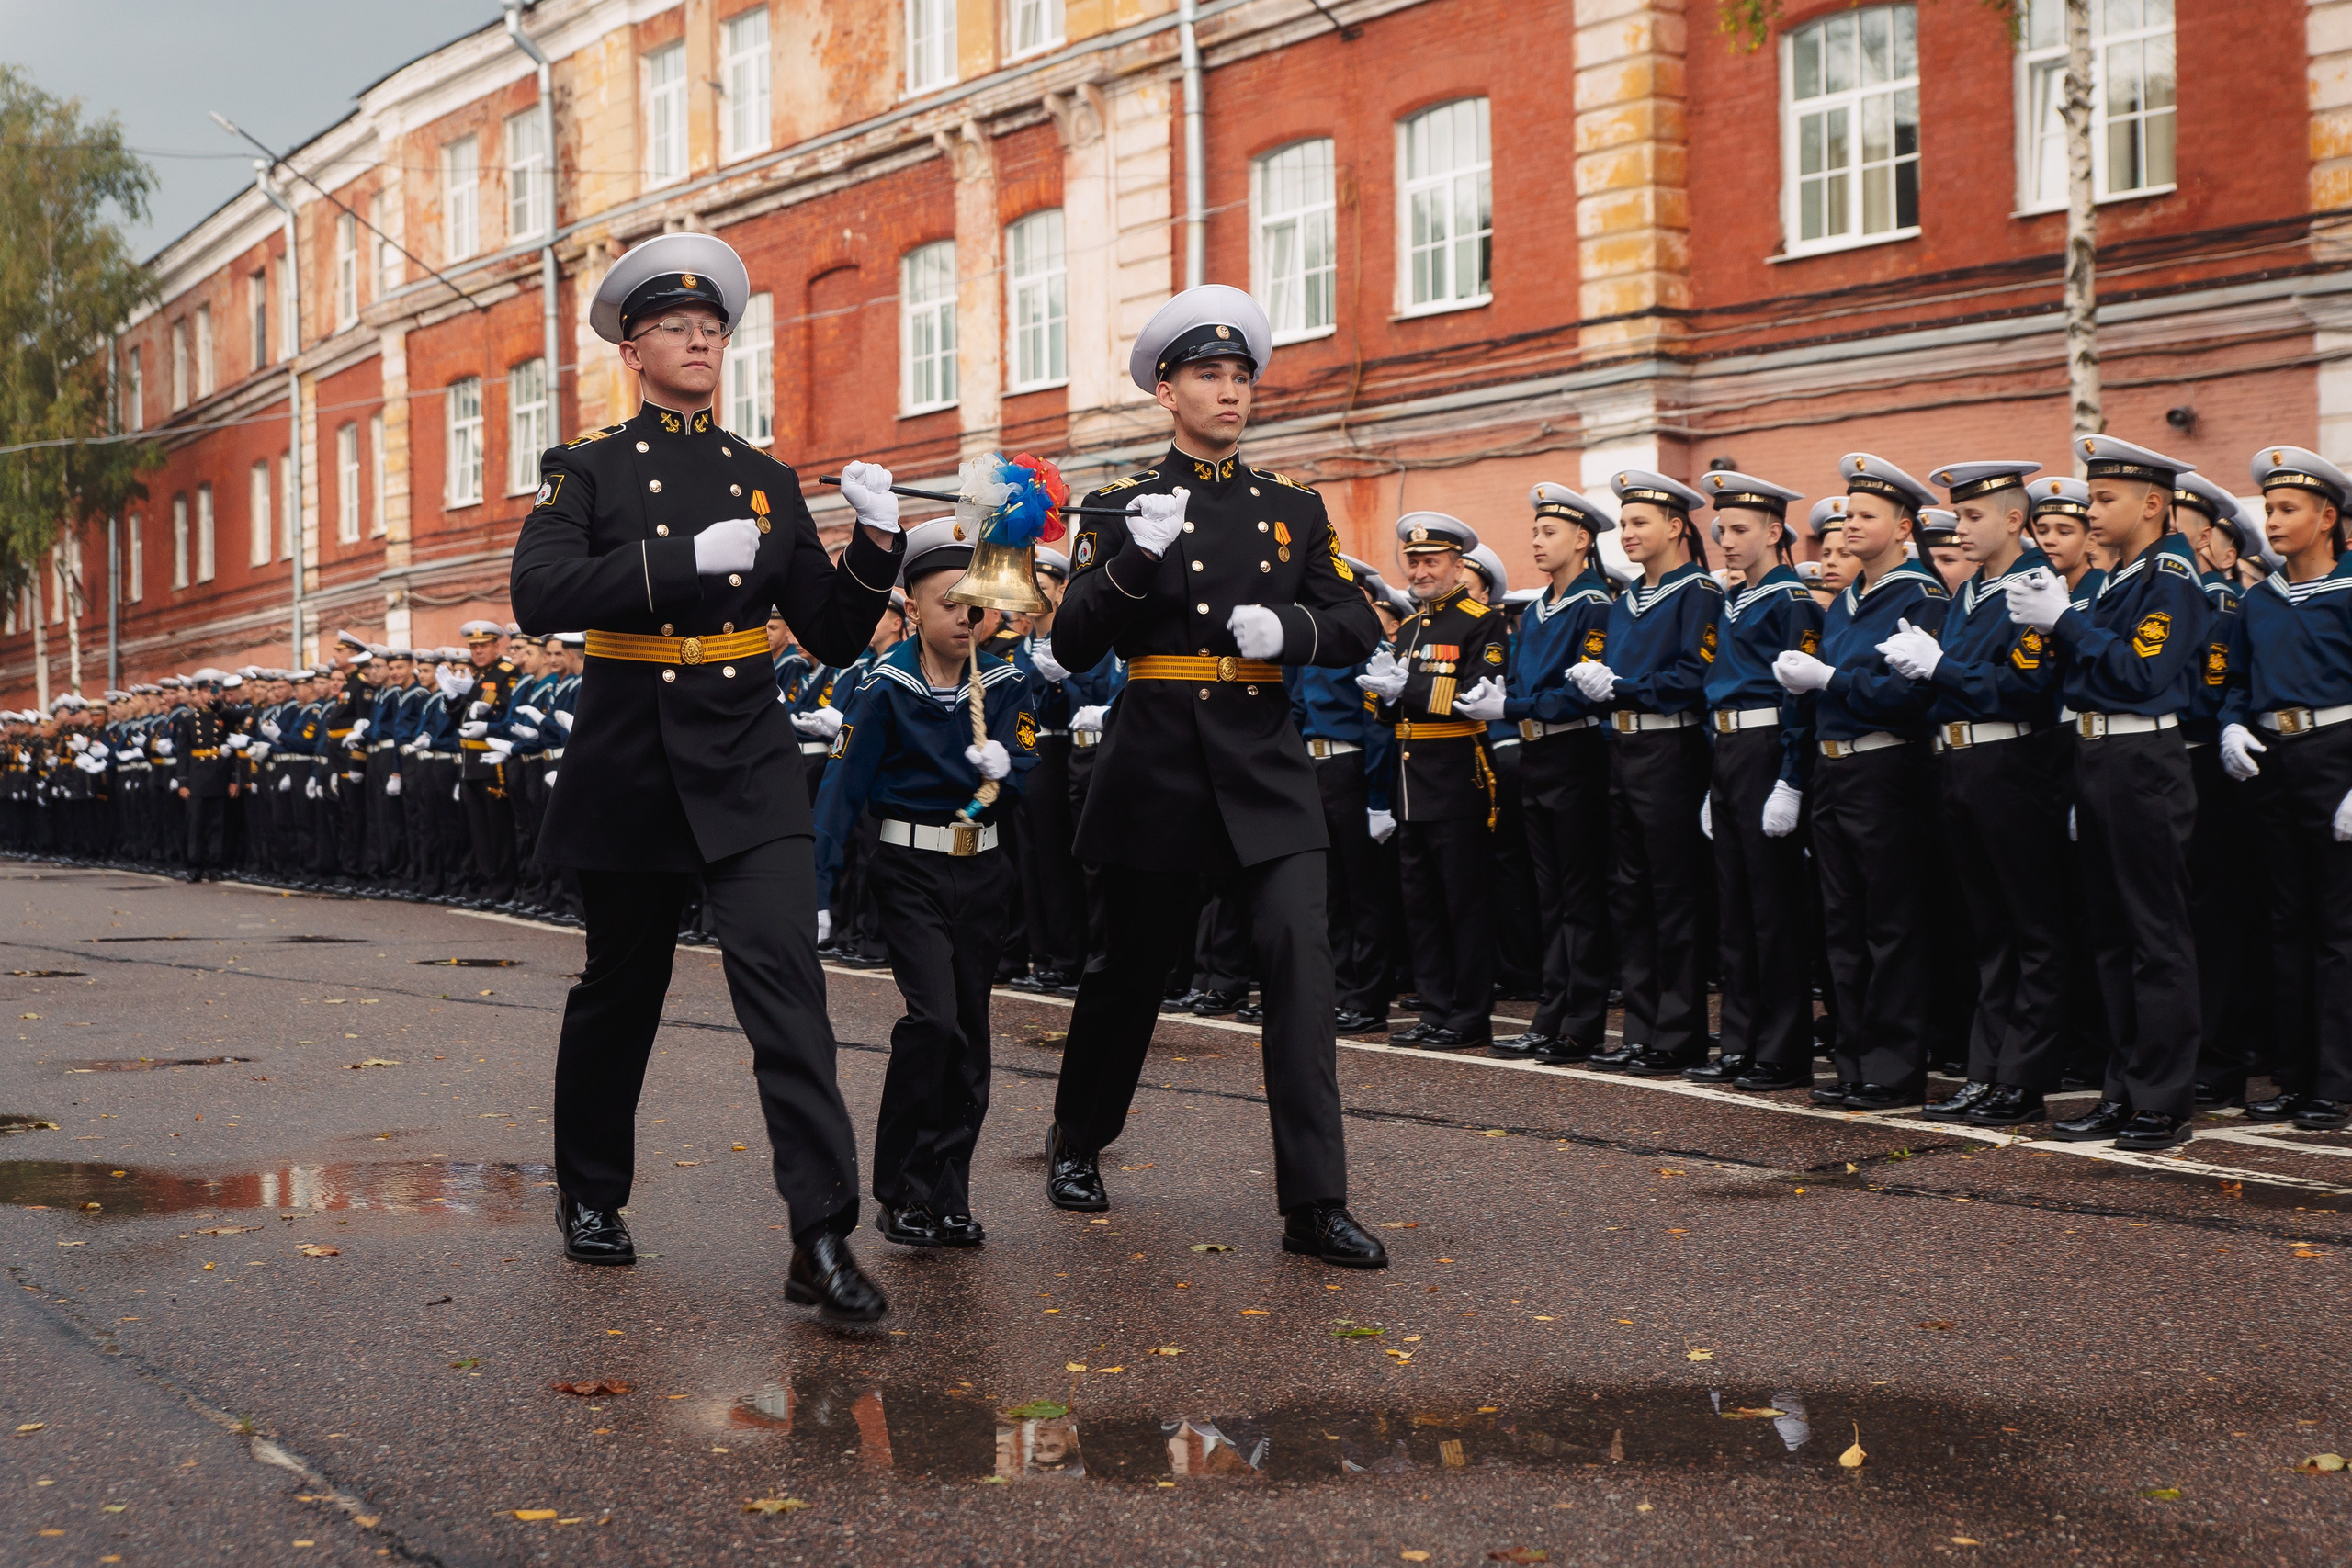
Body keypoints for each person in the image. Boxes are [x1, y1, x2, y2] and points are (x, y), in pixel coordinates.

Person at [508, 230, 904, 1319]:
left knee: (790, 996)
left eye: (712, 327)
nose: (698, 340)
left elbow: (828, 634)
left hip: (744, 758)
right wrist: (682, 562)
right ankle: (591, 1193)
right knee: (620, 993)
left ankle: (820, 1237)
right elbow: (539, 596)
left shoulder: (763, 479)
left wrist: (874, 543)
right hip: (632, 757)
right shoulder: (585, 468)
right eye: (676, 328)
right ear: (631, 350)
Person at [1043, 283, 1387, 1269]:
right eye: (1208, 375)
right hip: (1155, 760)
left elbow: (1361, 624)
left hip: (1263, 762)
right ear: (1166, 390)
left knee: (1299, 972)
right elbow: (1070, 641)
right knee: (1130, 972)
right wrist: (1131, 563)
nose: (1230, 392)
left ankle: (1314, 1203)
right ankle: (1079, 1139)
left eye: (1240, 376)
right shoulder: (1116, 507)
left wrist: (1293, 629)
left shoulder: (1290, 508)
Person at [814, 517, 1037, 1247]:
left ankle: (949, 1191)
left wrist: (1014, 768)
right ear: (912, 606)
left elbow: (1029, 767)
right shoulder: (886, 687)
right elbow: (840, 791)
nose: (967, 617)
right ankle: (901, 1188)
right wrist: (816, 891)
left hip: (983, 867)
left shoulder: (1004, 680)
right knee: (932, 1021)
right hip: (909, 869)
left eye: (976, 603)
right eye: (950, 603)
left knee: (970, 1033)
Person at [2004, 435, 2211, 1151]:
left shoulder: (2171, 575)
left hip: (2143, 754)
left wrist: (2065, 621)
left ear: (2153, 505)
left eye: (2104, 499)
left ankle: (2162, 1099)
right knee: (2113, 936)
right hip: (2097, 754)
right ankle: (2123, 1091)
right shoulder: (2116, 579)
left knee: (2156, 935)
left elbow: (2141, 672)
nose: (2091, 511)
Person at [1882, 460, 2071, 1125]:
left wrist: (1943, 666)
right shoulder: (1966, 594)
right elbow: (1959, 681)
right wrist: (1923, 666)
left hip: (2012, 761)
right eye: (1958, 516)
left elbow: (2027, 688)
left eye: (1973, 516)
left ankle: (2023, 1077)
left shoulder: (2033, 586)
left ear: (2014, 520)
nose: (1959, 529)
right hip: (1960, 764)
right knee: (1988, 931)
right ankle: (1987, 1070)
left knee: (2032, 928)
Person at [1772, 454, 1950, 1110]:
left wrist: (1832, 681)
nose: (1848, 525)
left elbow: (1909, 694)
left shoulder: (1922, 593)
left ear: (1905, 526)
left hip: (1886, 766)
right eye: (1847, 513)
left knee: (1891, 923)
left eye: (1865, 515)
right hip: (1834, 765)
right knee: (1842, 923)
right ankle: (1853, 1058)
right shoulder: (1848, 598)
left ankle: (1893, 1067)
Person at [1566, 469, 1722, 1076]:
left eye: (1639, 522)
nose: (1627, 533)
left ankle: (1678, 1033)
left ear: (1676, 527)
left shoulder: (1697, 592)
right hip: (1624, 751)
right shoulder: (1627, 598)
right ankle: (1641, 1026)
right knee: (1629, 896)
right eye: (1624, 522)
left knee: (1672, 895)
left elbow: (1695, 676)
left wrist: (1624, 688)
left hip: (1672, 750)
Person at [2221, 445, 2352, 1130]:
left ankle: (2335, 1080)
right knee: (2286, 924)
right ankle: (2296, 1076)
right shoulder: (2259, 600)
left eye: (2287, 509)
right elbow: (2237, 681)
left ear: (2327, 517)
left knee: (2340, 928)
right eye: (2268, 509)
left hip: (2338, 755)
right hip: (2275, 757)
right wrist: (2232, 724)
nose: (2271, 521)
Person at [1690, 469, 1819, 1091]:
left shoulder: (1793, 601)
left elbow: (1798, 698)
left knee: (1774, 912)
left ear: (1774, 531)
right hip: (1731, 749)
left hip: (1769, 745)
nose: (1728, 541)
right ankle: (1739, 1038)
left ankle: (1782, 1046)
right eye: (1722, 530)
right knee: (1736, 911)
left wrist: (1791, 778)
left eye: (1740, 530)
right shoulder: (1732, 599)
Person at [1363, 511, 1506, 1049]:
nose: (1420, 571)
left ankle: (1470, 1015)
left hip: (1455, 772)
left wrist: (1408, 693)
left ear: (1455, 564)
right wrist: (1379, 693)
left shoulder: (1478, 620)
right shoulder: (1414, 624)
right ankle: (1435, 1006)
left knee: (1462, 902)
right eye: (1413, 561)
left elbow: (1475, 697)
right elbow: (1389, 712)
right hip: (1409, 775)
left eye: (1431, 561)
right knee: (1421, 902)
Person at [1490, 484, 1616, 1062]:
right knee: (1551, 895)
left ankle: (1581, 1021)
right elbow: (1524, 684)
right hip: (1538, 752)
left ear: (1581, 540)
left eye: (1549, 532)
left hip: (1575, 753)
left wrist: (1512, 707)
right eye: (1536, 532)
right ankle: (1551, 1011)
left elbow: (1575, 695)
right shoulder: (1540, 607)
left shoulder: (1594, 605)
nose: (1537, 542)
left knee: (1581, 895)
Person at [1285, 558, 1398, 1035]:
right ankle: (1340, 992)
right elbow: (1291, 712)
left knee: (1364, 893)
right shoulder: (1307, 644)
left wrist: (1377, 797)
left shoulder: (1363, 640)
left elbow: (1375, 725)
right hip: (1315, 767)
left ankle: (1368, 999)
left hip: (1352, 766)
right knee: (1330, 895)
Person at [1008, 548, 1089, 995]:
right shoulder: (1019, 650)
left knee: (1059, 861)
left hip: (1062, 752)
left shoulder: (1072, 642)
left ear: (1061, 589)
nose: (1035, 592)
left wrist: (1062, 679)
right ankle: (1044, 956)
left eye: (1044, 583)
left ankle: (1068, 957)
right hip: (1027, 757)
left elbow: (1082, 706)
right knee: (1031, 860)